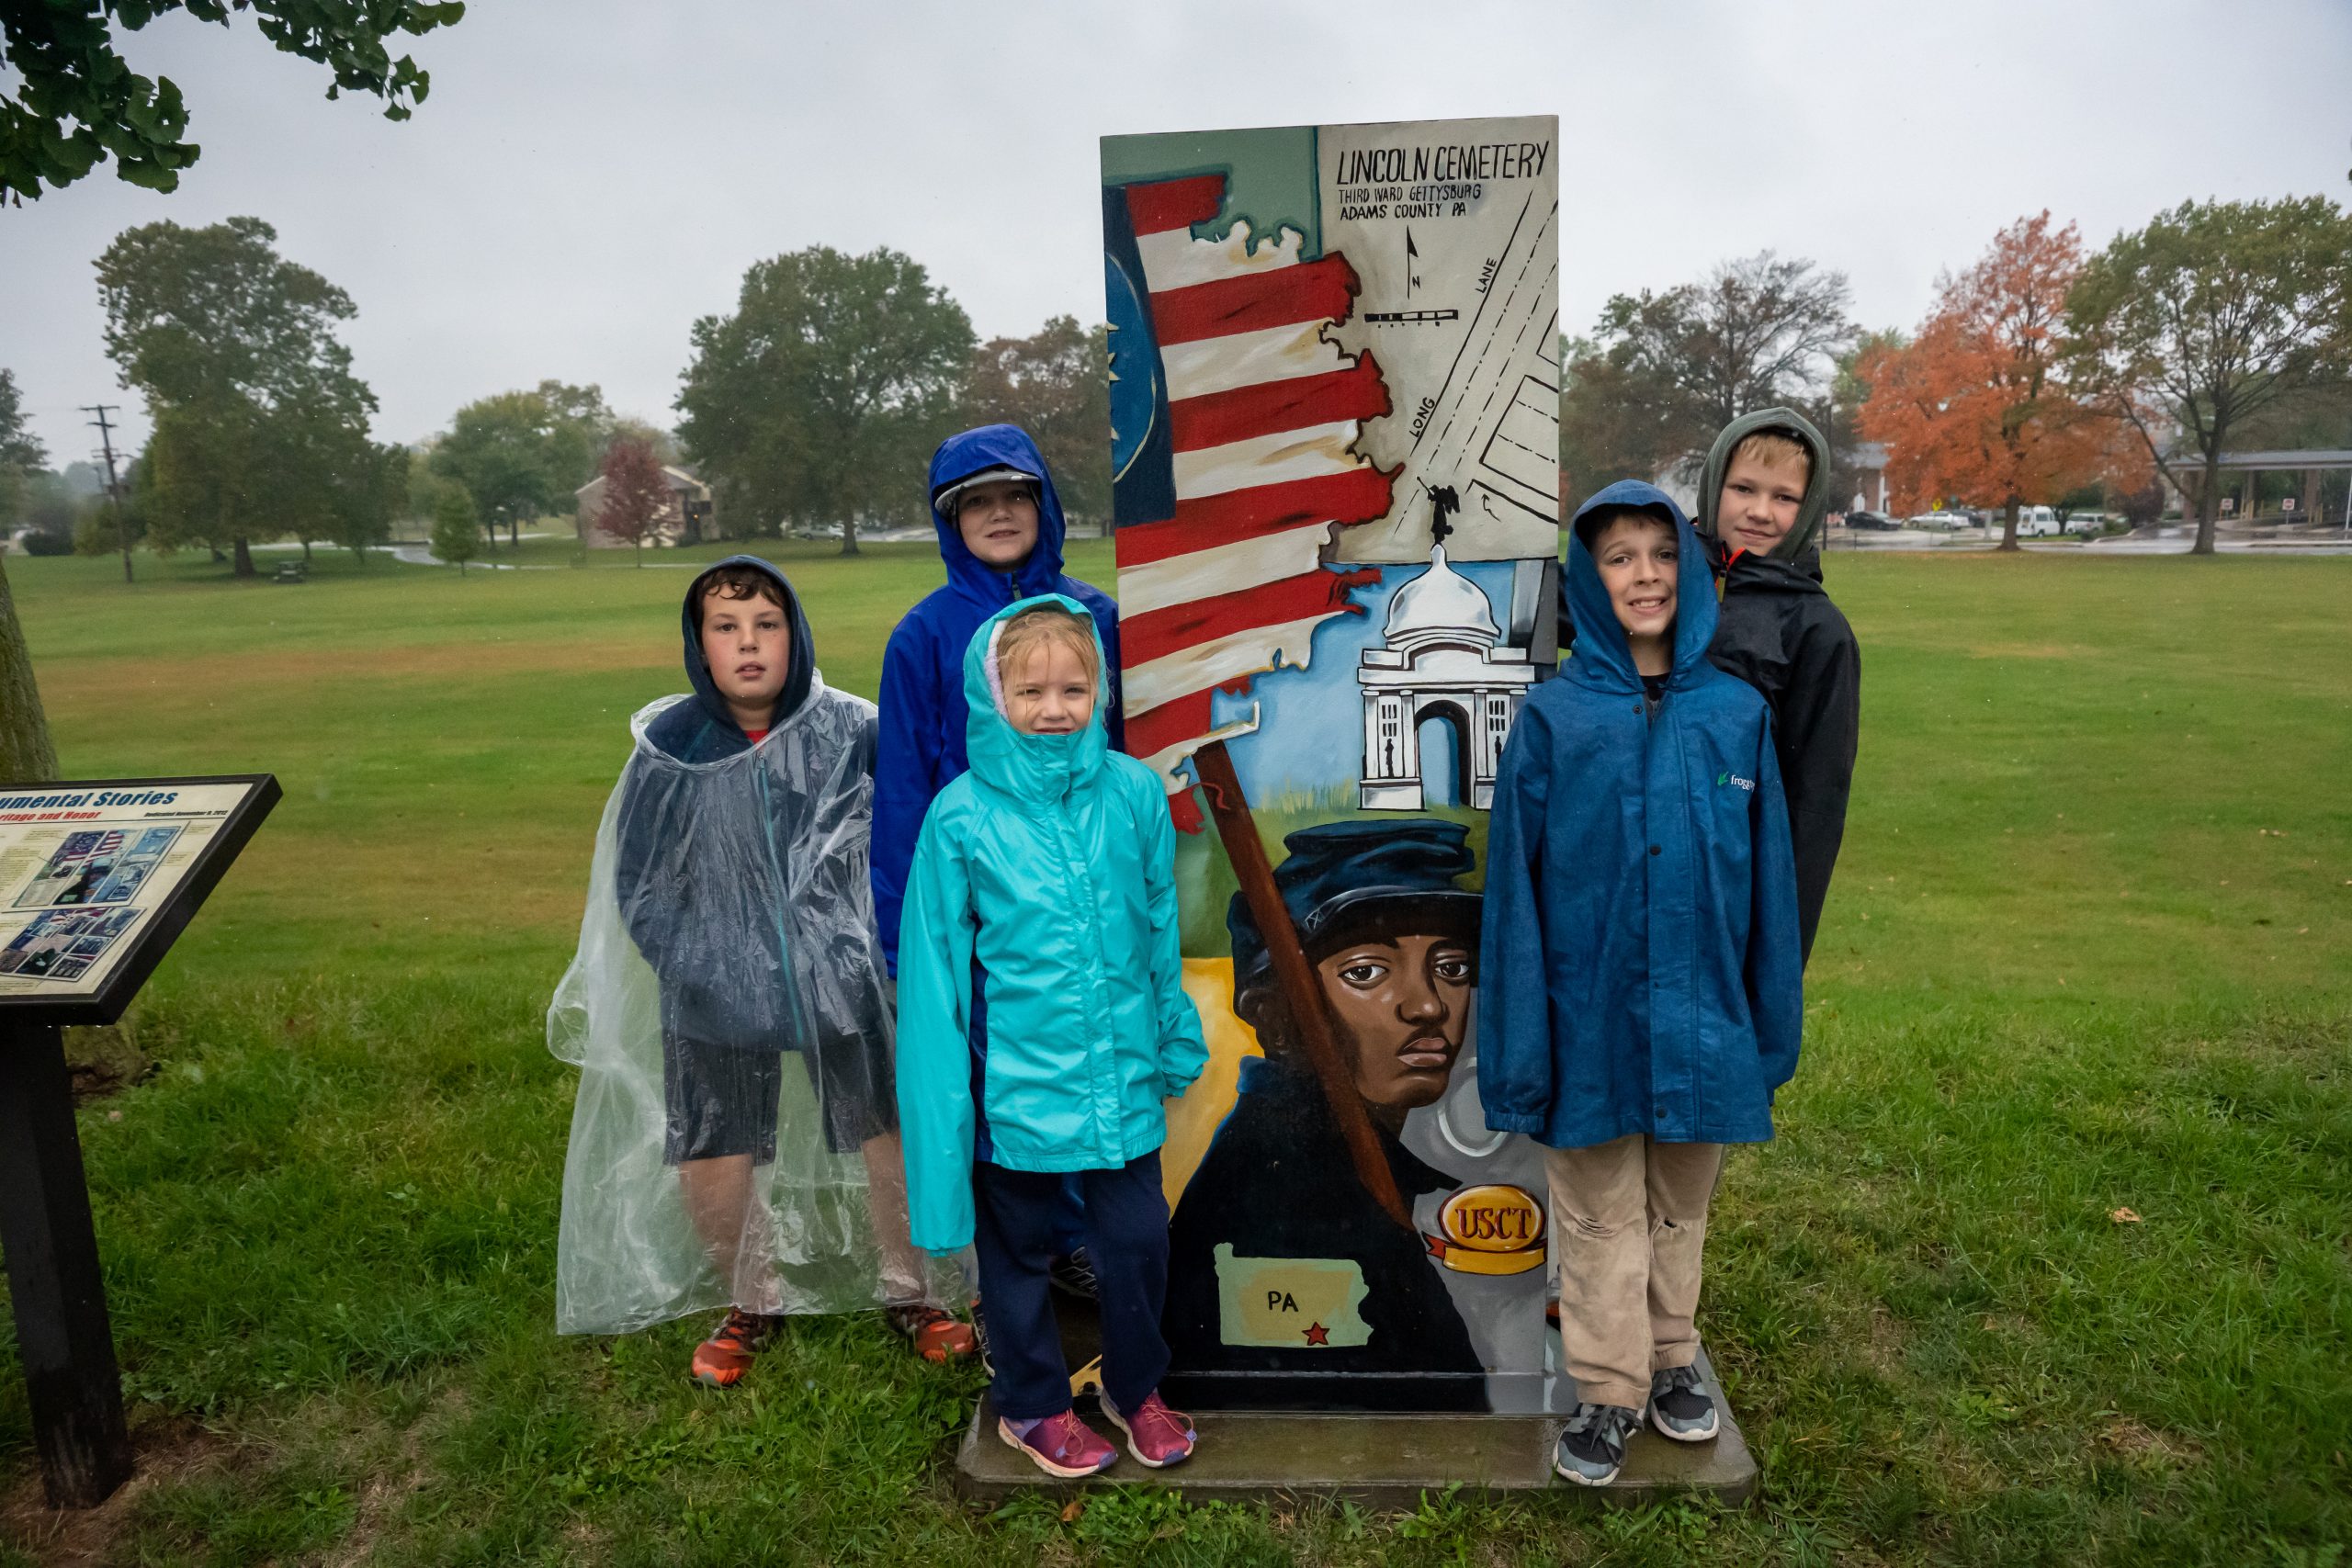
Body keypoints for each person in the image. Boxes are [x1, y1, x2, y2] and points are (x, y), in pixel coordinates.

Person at [548, 557, 971, 1387]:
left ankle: (913, 1289)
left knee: (890, 1127)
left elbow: (900, 846)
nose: (748, 644)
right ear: (698, 643)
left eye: (766, 624)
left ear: (796, 633)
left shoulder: (854, 730)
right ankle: (751, 1298)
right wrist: (697, 966)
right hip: (711, 986)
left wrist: (869, 955)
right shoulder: (670, 748)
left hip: (845, 979)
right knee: (714, 1143)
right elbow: (640, 880)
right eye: (726, 627)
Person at [1479, 483, 1804, 1486]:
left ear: (1692, 572)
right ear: (1590, 579)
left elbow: (1770, 889)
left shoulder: (1737, 716)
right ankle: (1609, 1388)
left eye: (1663, 554)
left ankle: (1672, 1356)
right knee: (1596, 1212)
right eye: (1620, 557)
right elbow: (1515, 894)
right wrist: (1522, 1042)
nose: (1645, 575)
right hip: (1590, 1015)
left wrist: (1765, 1027)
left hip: (1703, 1016)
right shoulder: (1554, 719)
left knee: (1678, 1206)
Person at [896, 597, 1207, 1479]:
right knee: (1020, 1255)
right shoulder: (960, 817)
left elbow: (1157, 924)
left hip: (1122, 1078)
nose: (1054, 708)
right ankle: (1031, 1403)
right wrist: (946, 1103)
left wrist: (1170, 1033)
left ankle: (1134, 1386)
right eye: (1030, 691)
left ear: (1100, 690)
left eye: (1074, 687)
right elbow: (934, 974)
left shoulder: (1133, 792)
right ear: (992, 695)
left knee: (1138, 1241)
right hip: (1015, 1090)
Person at [1161, 819, 1487, 1406]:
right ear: (1278, 1012)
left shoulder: (1377, 1163)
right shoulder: (1278, 1191)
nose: (1428, 1005)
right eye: (1366, 972)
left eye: (1453, 968)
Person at [1690, 408, 1861, 965]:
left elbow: (1815, 802)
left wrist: (1780, 955)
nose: (1761, 512)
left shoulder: (1817, 631)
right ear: (1714, 486)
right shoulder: (1654, 586)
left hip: (1730, 884)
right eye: (1743, 488)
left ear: (1808, 508)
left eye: (1785, 497)